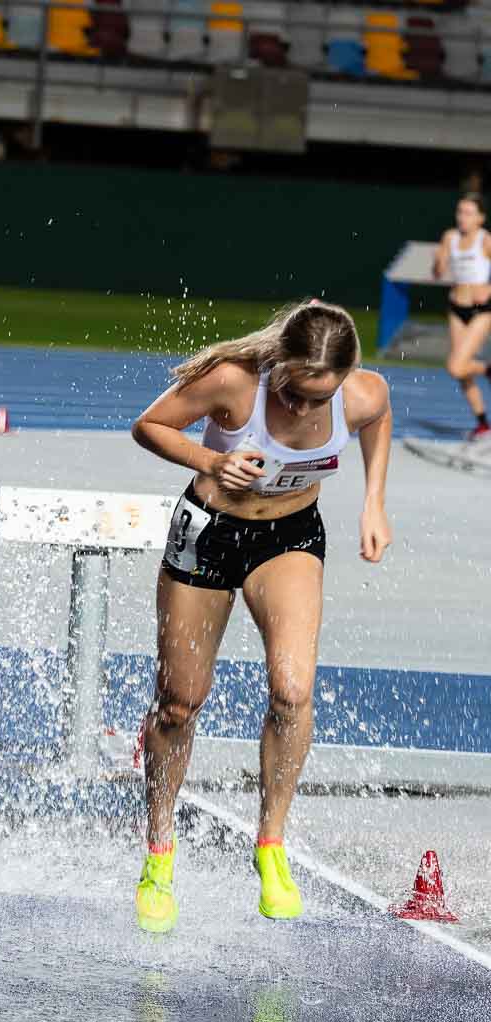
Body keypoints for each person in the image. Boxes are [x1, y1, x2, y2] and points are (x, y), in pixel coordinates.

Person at [130, 300, 392, 934]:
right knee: (179, 702)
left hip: (291, 538)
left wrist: (374, 503)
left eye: (316, 398)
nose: (302, 409)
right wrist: (211, 461)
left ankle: (271, 844)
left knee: (292, 688)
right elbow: (150, 426)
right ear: (279, 364)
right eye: (294, 393)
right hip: (209, 534)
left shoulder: (361, 393)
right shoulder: (233, 381)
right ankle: (159, 851)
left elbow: (379, 418)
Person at [432, 193, 491, 439]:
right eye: (459, 212)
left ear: (480, 218)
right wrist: (439, 260)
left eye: (468, 213)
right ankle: (483, 424)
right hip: (457, 307)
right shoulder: (450, 237)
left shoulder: (486, 240)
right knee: (462, 370)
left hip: (481, 311)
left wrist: (489, 288)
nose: (462, 217)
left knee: (456, 366)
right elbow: (438, 273)